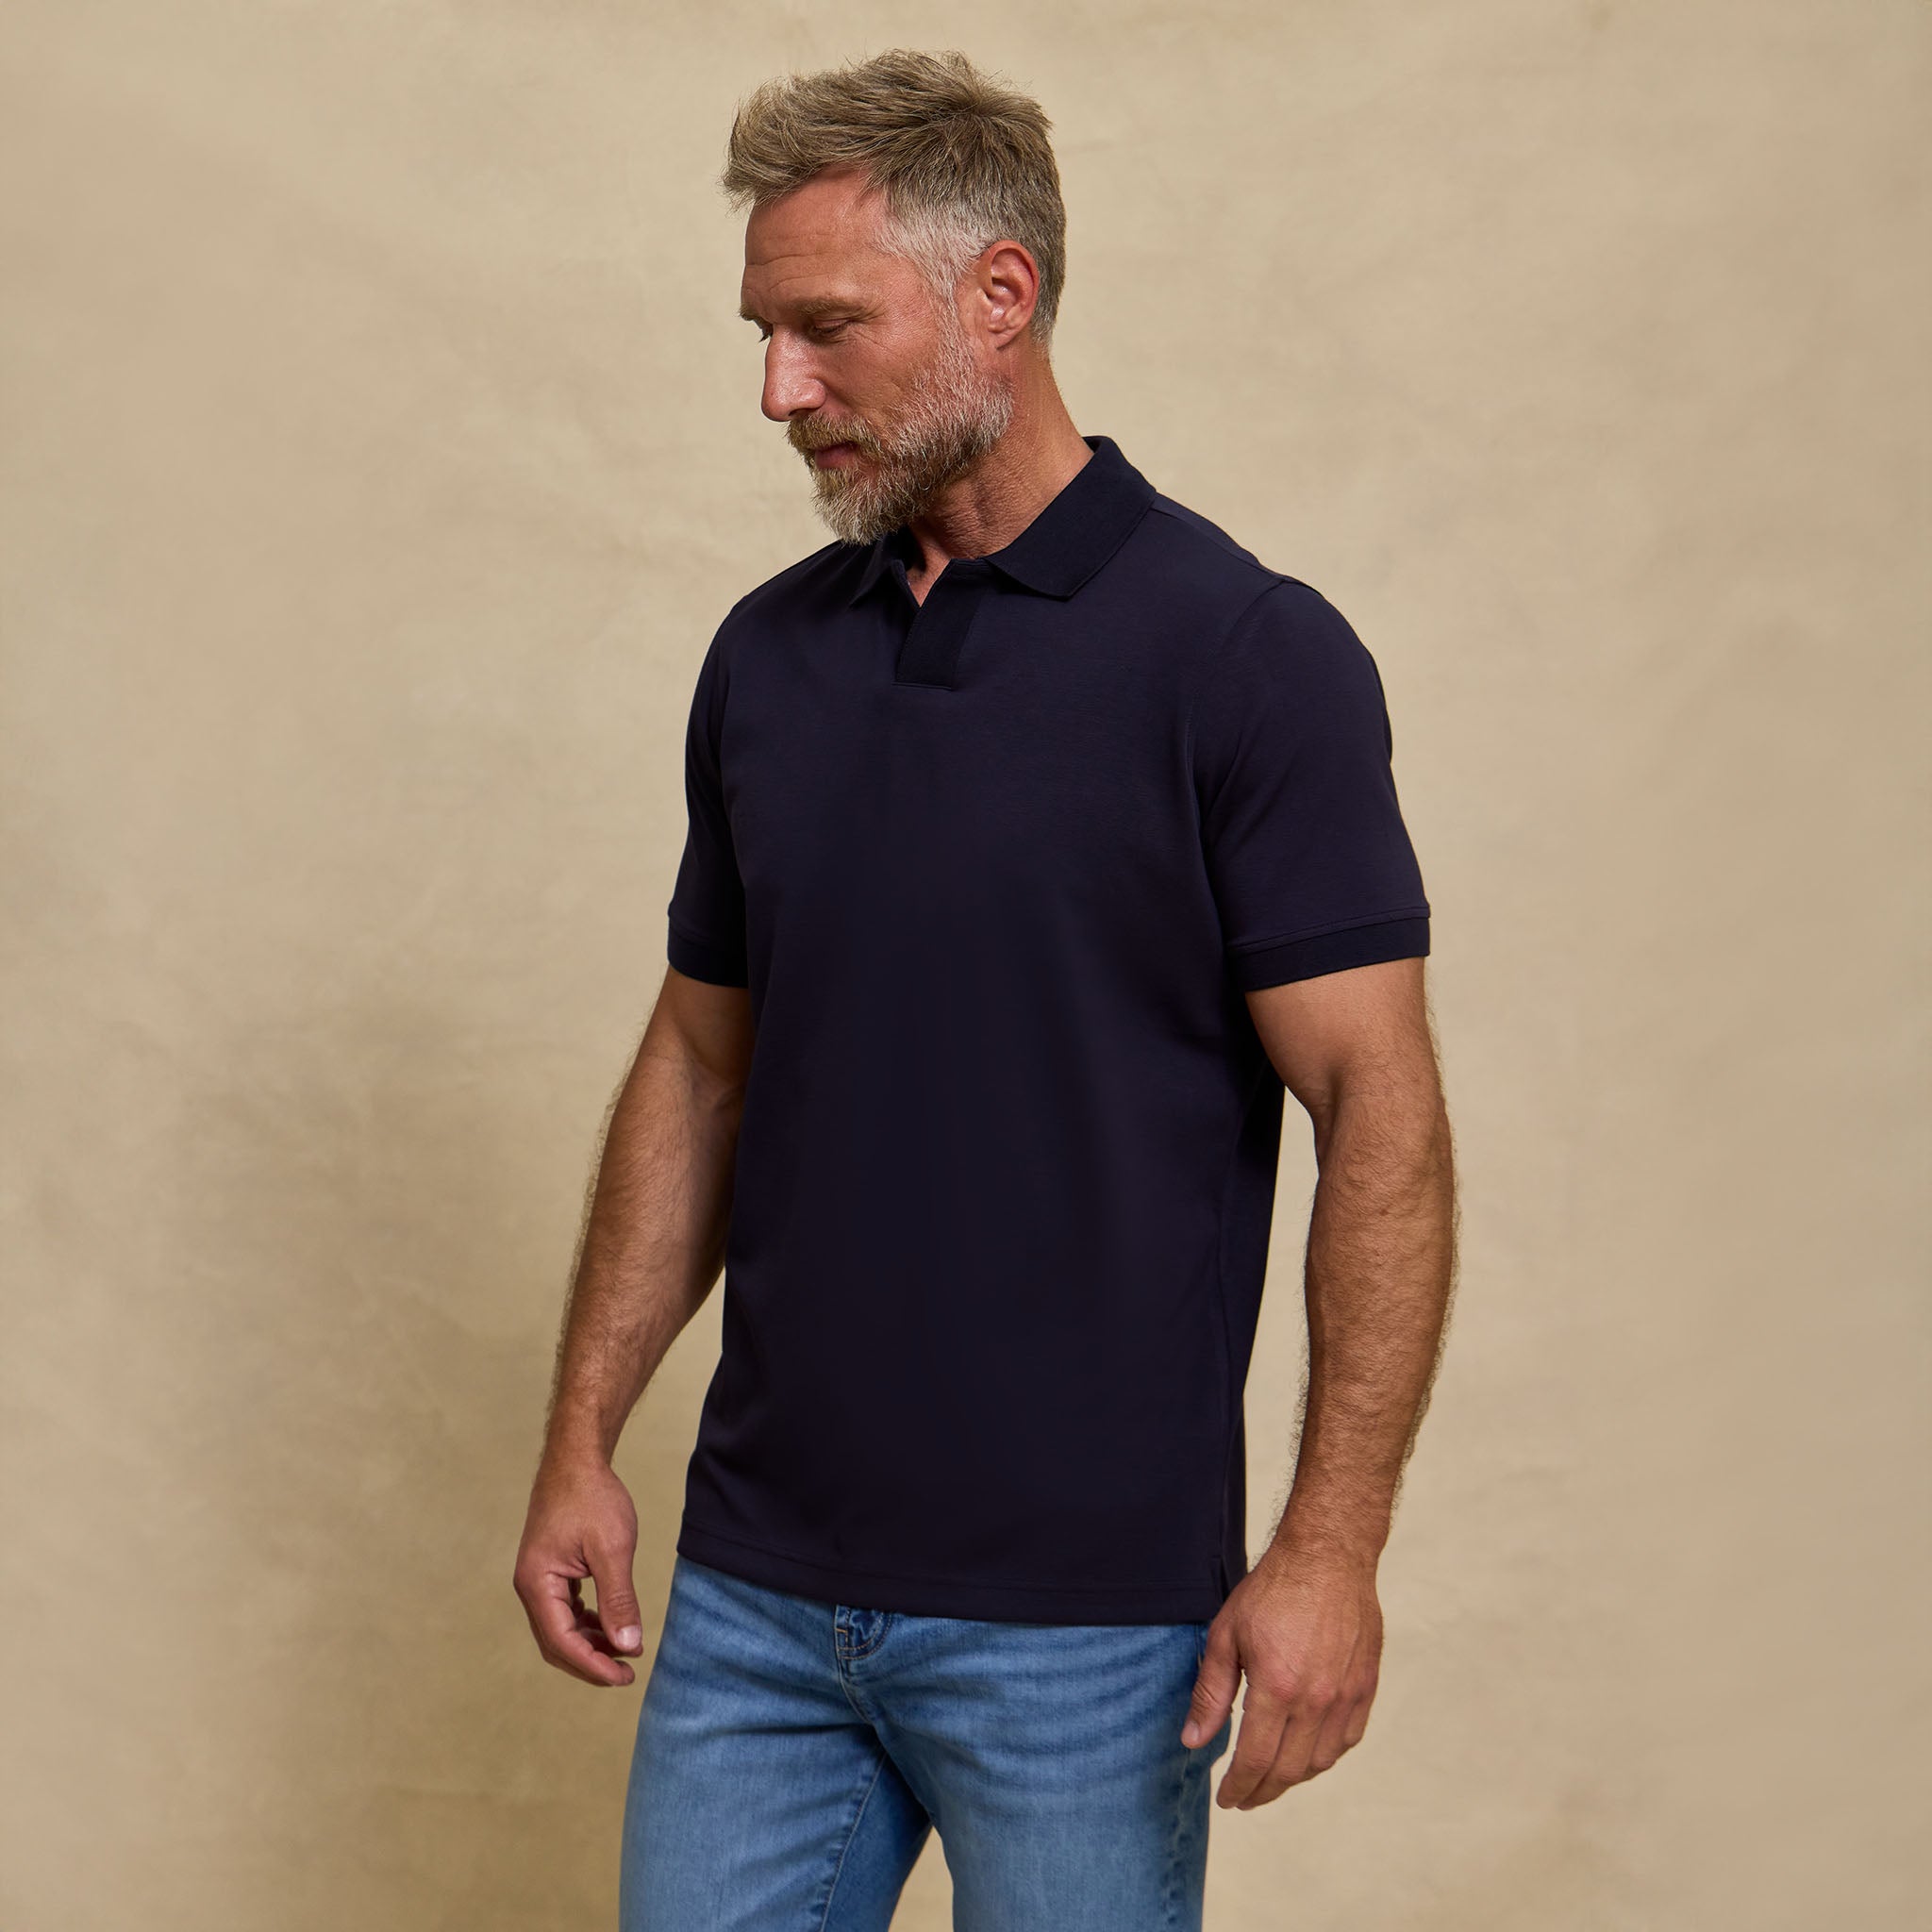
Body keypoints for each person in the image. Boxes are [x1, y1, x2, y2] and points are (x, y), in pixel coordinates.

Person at [513, 46, 1457, 1932]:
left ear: (998, 298)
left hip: (1087, 1637)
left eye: (827, 328)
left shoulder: (1243, 658)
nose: (779, 389)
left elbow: (1382, 1116)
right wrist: (579, 1442)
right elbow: (699, 1063)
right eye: (764, 334)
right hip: (755, 1603)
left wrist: (1330, 1549)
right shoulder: (768, 659)